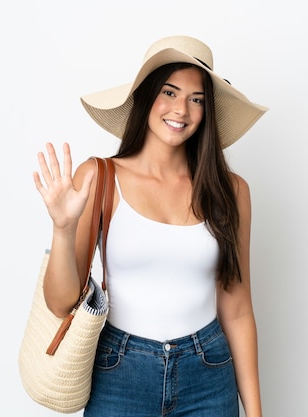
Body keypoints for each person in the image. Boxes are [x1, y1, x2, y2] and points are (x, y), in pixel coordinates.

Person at [33, 35, 268, 417]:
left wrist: (256, 413)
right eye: (169, 92)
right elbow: (60, 303)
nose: (182, 110)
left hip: (208, 373)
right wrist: (63, 228)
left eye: (197, 99)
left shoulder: (231, 191)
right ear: (146, 97)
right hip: (119, 372)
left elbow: (238, 309)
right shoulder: (99, 178)